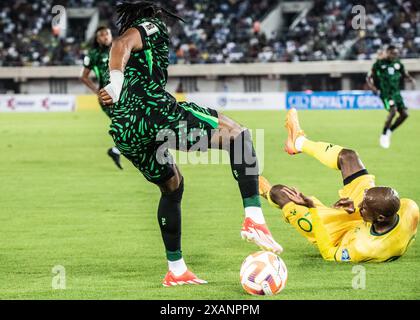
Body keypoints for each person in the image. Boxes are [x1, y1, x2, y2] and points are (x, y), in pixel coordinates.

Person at [98, 1, 282, 286]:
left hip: (124, 128)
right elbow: (120, 43)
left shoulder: (133, 48)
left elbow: (119, 52)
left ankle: (177, 269)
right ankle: (254, 219)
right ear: (152, 11)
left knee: (172, 187)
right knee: (238, 134)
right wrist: (115, 85)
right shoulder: (153, 26)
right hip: (154, 112)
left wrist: (113, 88)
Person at [259, 108, 419, 262]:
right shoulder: (409, 209)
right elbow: (375, 208)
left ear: (381, 217)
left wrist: (312, 208)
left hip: (337, 234)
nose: (359, 204)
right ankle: (298, 142)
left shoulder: (364, 247)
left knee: (280, 193)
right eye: (364, 199)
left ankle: (262, 189)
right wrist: (357, 209)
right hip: (367, 219)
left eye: (363, 205)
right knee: (348, 156)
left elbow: (328, 253)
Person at [80, 26, 123, 169]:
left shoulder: (119, 49)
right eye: (102, 35)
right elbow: (84, 77)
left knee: (129, 125)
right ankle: (117, 150)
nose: (105, 37)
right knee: (125, 124)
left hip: (122, 94)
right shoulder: (93, 54)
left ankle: (116, 150)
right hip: (107, 97)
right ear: (98, 39)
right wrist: (97, 92)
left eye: (107, 34)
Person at [366, 45, 416, 149]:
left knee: (405, 114)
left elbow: (404, 73)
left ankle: (390, 131)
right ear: (387, 52)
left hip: (396, 93)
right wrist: (373, 87)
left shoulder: (398, 64)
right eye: (393, 53)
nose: (395, 55)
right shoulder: (379, 64)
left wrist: (411, 79)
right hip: (386, 93)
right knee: (393, 111)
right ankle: (384, 135)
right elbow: (368, 77)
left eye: (396, 54)